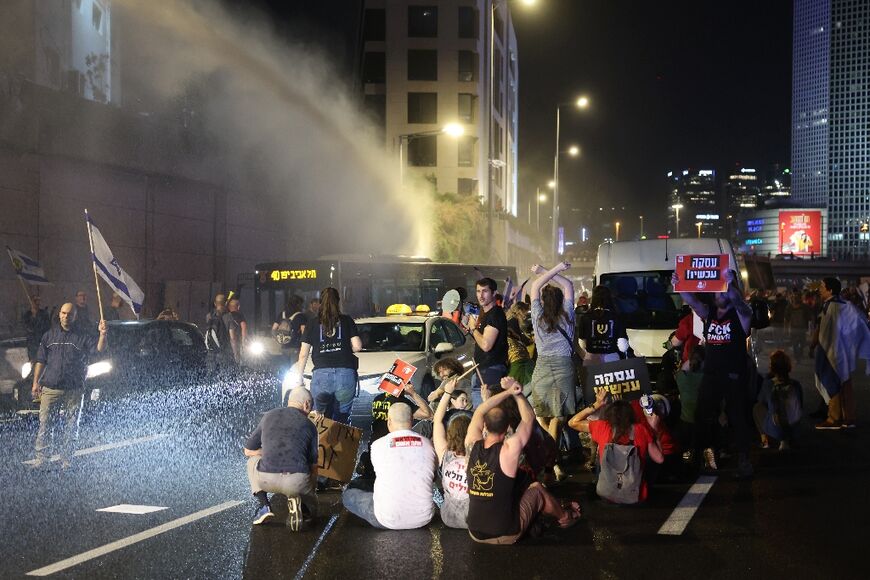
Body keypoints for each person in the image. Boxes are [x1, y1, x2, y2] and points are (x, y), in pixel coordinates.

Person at [465, 377, 580, 544]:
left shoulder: (472, 444)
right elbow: (528, 418)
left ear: (485, 425)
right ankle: (565, 517)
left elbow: (479, 412)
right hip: (504, 534)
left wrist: (504, 393)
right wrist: (515, 392)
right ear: (506, 429)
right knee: (537, 489)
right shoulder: (509, 449)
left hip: (475, 532)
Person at [673, 269, 754, 479]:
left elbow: (739, 303)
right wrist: (679, 283)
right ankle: (696, 454)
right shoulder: (708, 313)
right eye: (719, 292)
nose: (721, 295)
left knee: (737, 416)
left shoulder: (741, 314)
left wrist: (731, 286)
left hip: (733, 374)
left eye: (724, 292)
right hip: (712, 373)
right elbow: (692, 301)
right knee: (701, 414)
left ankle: (744, 458)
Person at [31, 303, 107, 468]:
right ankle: (41, 459)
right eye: (64, 313)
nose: (66, 316)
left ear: (75, 316)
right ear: (59, 314)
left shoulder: (82, 337)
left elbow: (98, 350)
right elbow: (41, 360)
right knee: (45, 424)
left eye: (69, 314)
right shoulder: (49, 336)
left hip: (73, 388)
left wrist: (102, 334)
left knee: (71, 424)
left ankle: (67, 459)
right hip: (50, 387)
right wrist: (35, 382)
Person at [342, 403, 437, 529]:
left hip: (387, 519)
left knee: (349, 495)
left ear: (389, 421)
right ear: (412, 420)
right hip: (424, 518)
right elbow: (433, 476)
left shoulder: (378, 445)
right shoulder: (428, 444)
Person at [568, 389, 664, 503]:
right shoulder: (641, 429)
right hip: (635, 496)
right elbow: (659, 459)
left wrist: (597, 404)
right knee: (648, 455)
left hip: (607, 494)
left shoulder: (602, 427)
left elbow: (572, 422)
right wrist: (654, 432)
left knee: (602, 454)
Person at [526, 262, 576, 483]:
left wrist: (545, 271)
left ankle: (551, 462)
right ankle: (551, 461)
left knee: (541, 415)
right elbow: (569, 285)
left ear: (543, 302)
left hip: (543, 366)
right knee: (559, 416)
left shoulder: (537, 316)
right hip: (564, 367)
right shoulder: (568, 315)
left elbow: (535, 287)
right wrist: (555, 269)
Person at [244, 387, 319, 530]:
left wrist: (264, 452)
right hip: (297, 482)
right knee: (313, 514)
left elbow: (248, 451)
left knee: (252, 462)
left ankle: (264, 506)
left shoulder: (268, 416)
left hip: (266, 480)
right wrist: (310, 491)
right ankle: (302, 506)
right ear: (307, 404)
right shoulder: (310, 425)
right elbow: (313, 466)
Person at [295, 287, 361, 424]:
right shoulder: (347, 320)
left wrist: (299, 378)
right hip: (345, 374)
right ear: (338, 301)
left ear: (320, 302)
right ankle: (340, 444)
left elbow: (303, 354)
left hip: (321, 376)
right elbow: (357, 346)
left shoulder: (312, 323)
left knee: (320, 419)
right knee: (342, 421)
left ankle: (319, 444)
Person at [812, 277, 870, 430]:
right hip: (843, 353)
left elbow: (824, 333)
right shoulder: (844, 305)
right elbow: (859, 324)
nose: (820, 289)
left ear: (830, 290)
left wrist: (818, 345)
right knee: (845, 384)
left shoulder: (832, 307)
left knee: (833, 382)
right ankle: (848, 418)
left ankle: (834, 419)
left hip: (833, 353)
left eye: (823, 287)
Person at [433, 378, 471, 528]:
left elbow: (437, 420)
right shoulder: (480, 454)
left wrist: (447, 392)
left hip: (448, 518)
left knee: (430, 483)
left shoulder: (445, 454)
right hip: (475, 519)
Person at [466, 277, 509, 406]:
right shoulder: (485, 314)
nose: (481, 295)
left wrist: (473, 328)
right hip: (482, 370)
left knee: (485, 414)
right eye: (478, 291)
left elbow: (486, 345)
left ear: (494, 293)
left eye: (485, 291)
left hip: (490, 371)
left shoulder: (495, 314)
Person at [754, 350, 802, 451]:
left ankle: (765, 441)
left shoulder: (768, 384)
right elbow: (800, 405)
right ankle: (788, 438)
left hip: (776, 428)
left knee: (757, 408)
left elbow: (761, 400)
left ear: (772, 368)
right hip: (794, 428)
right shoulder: (796, 385)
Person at [577, 285, 629, 364]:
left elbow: (582, 344)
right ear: (610, 298)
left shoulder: (585, 317)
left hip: (591, 359)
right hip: (611, 359)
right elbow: (623, 347)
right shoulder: (616, 317)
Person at [506, 301, 534, 385]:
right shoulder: (513, 321)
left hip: (512, 357)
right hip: (517, 357)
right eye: (525, 311)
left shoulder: (510, 321)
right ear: (520, 310)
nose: (525, 315)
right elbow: (518, 338)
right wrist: (530, 340)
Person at [272, 294, 306, 363]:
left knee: (283, 368)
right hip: (295, 347)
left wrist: (279, 339)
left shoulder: (282, 314)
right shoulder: (301, 316)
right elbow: (304, 333)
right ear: (298, 304)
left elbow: (273, 329)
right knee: (293, 368)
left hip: (283, 347)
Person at [205, 294, 234, 375]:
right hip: (224, 351)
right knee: (224, 376)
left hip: (211, 351)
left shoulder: (209, 316)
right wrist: (235, 353)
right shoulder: (229, 317)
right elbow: (233, 338)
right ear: (225, 303)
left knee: (211, 374)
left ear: (215, 303)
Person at [23, 295, 51, 362]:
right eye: (35, 301)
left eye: (38, 301)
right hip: (32, 343)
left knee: (42, 360)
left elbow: (47, 326)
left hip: (42, 341)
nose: (37, 303)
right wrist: (33, 316)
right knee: (32, 361)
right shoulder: (28, 314)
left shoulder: (44, 313)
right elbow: (28, 328)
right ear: (31, 302)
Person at [785, 293, 812, 362]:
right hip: (798, 328)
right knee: (798, 343)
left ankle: (798, 355)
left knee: (799, 343)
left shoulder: (801, 307)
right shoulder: (791, 307)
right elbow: (809, 318)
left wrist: (786, 328)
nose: (795, 299)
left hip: (798, 328)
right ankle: (798, 355)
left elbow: (787, 318)